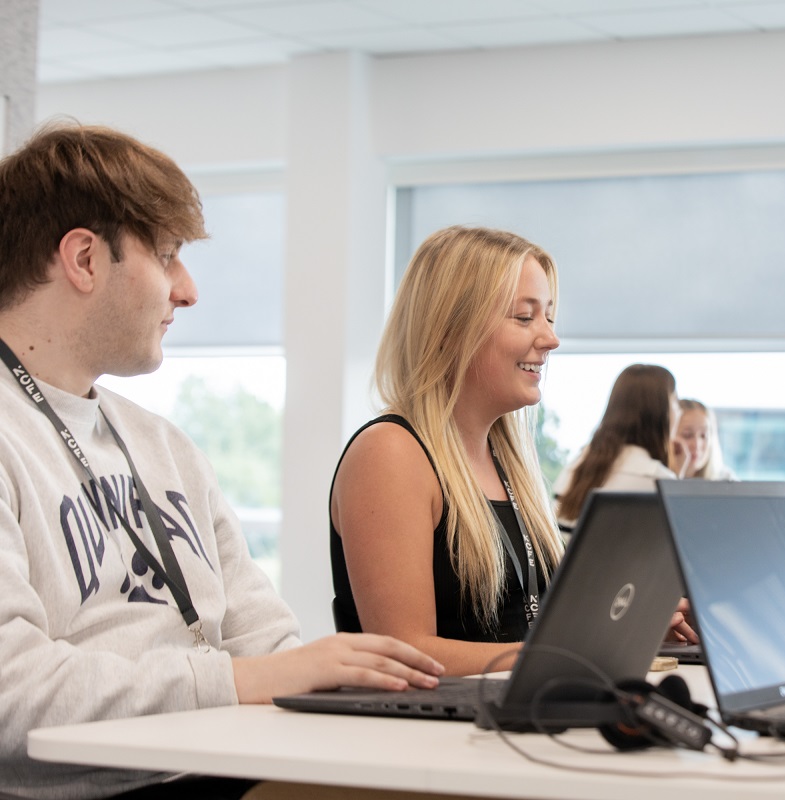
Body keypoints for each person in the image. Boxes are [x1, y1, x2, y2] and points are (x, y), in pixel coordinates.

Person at [0, 122, 443, 799]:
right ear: (85, 259)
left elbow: (264, 638)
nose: (189, 290)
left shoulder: (161, 445)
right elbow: (13, 692)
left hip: (223, 760)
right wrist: (237, 682)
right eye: (169, 255)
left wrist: (332, 682)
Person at [329, 226, 566, 677]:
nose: (550, 338)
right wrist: (568, 653)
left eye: (549, 317)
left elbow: (523, 619)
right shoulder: (391, 454)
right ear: (449, 330)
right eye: (524, 317)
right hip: (426, 743)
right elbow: (404, 651)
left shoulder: (511, 463)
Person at [553, 363, 687, 528]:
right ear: (659, 412)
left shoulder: (575, 467)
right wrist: (676, 482)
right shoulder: (659, 481)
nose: (680, 411)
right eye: (675, 402)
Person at [676, 398, 735, 480]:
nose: (697, 445)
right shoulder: (657, 478)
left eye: (703, 436)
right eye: (687, 435)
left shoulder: (726, 480)